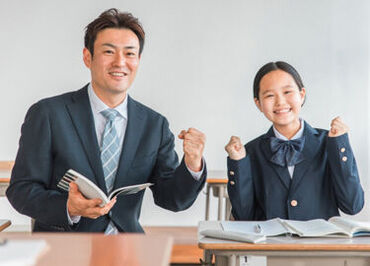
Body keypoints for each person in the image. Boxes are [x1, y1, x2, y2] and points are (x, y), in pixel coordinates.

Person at [6, 8, 207, 233]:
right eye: (109, 52)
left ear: (138, 60)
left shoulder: (154, 125)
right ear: (87, 57)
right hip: (65, 250)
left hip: (127, 248)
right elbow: (21, 190)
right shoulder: (48, 114)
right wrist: (68, 207)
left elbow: (173, 199)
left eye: (130, 53)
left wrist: (192, 164)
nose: (120, 62)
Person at [225, 61, 364, 221]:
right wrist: (238, 162)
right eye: (270, 95)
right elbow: (243, 215)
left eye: (287, 92)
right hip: (269, 245)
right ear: (258, 104)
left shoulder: (330, 143)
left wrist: (341, 145)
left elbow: (353, 205)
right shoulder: (250, 151)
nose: (280, 102)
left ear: (302, 94)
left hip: (320, 244)